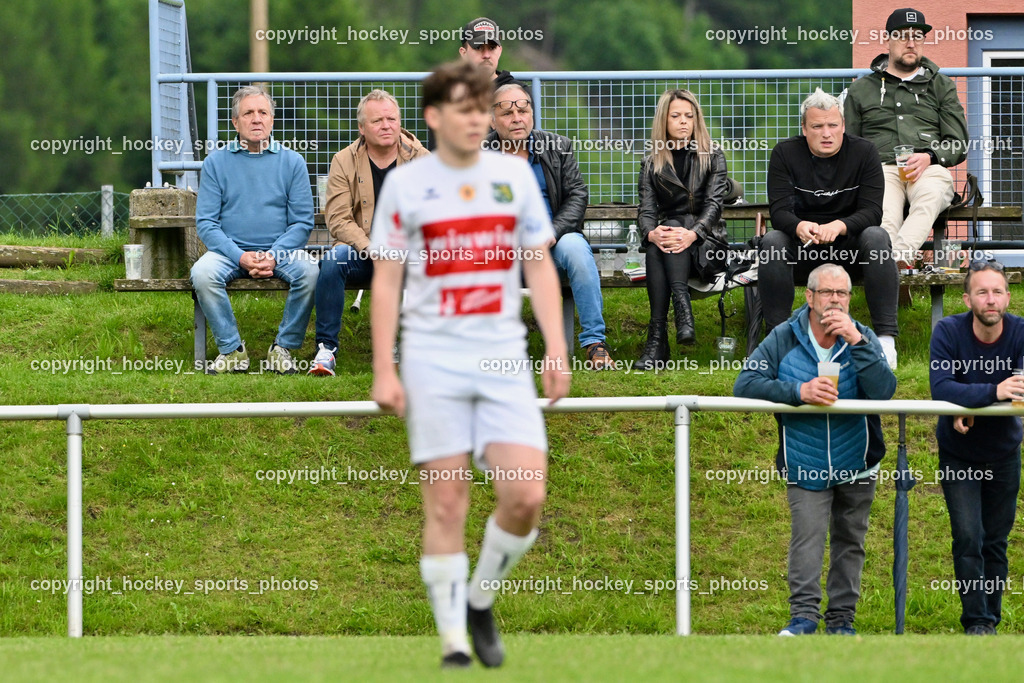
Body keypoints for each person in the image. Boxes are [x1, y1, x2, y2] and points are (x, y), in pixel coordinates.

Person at [369, 61, 569, 668]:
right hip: (433, 356)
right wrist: (385, 366)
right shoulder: (407, 186)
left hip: (504, 355)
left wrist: (556, 347)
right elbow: (386, 278)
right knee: (448, 500)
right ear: (433, 118)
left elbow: (537, 262)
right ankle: (454, 637)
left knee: (526, 496)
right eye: (466, 109)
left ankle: (481, 598)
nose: (479, 119)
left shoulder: (512, 176)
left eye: (484, 109)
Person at [734, 263, 896, 637]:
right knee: (807, 539)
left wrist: (858, 342)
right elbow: (745, 383)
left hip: (857, 459)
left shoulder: (862, 336)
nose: (836, 301)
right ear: (809, 297)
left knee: (850, 543)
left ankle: (841, 621)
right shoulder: (783, 336)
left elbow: (885, 390)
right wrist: (798, 392)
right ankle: (803, 619)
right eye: (827, 293)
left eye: (843, 294)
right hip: (804, 462)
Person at [762, 88, 899, 369]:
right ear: (804, 129)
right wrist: (800, 226)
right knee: (773, 241)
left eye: (833, 125)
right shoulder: (784, 153)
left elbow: (873, 211)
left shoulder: (865, 151)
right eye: (817, 126)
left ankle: (885, 340)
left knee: (877, 236)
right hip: (802, 250)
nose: (827, 133)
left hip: (851, 253)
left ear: (843, 126)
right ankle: (776, 340)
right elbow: (779, 213)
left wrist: (840, 226)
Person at [191, 85, 318, 374]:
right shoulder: (215, 163)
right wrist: (240, 257)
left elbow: (301, 223)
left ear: (272, 120)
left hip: (280, 252)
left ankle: (282, 349)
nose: (256, 119)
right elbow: (207, 223)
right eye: (248, 113)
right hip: (229, 253)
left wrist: (273, 255)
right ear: (235, 122)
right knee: (202, 273)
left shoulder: (293, 162)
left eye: (263, 113)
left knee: (311, 272)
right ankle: (232, 350)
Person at [486, 82, 614, 369]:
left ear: (532, 113)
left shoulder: (557, 147)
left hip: (552, 241)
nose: (517, 118)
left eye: (523, 109)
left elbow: (577, 195)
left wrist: (551, 233)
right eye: (507, 112)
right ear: (492, 120)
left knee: (577, 251)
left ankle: (594, 342)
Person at [929, 259, 1024, 635]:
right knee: (968, 535)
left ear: (1008, 298)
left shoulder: (1020, 331)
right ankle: (976, 622)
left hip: (1004, 451)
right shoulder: (948, 331)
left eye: (997, 292)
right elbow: (941, 388)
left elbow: (1020, 389)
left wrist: (970, 404)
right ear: (967, 299)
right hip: (959, 453)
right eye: (982, 292)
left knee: (996, 541)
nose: (990, 300)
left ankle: (991, 620)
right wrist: (990, 393)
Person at [310, 90, 429, 376]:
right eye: (377, 121)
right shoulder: (343, 160)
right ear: (362, 128)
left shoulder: (423, 159)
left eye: (391, 119)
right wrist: (372, 247)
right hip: (363, 253)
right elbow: (337, 219)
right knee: (333, 259)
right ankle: (326, 350)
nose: (386, 125)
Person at [844, 7, 969, 266]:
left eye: (918, 36)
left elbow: (958, 143)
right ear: (887, 40)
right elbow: (850, 144)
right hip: (880, 170)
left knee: (930, 197)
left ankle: (892, 264)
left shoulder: (941, 86)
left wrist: (930, 156)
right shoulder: (860, 90)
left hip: (928, 167)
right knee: (885, 214)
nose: (911, 43)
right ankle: (895, 271)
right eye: (902, 36)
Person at [634, 89, 728, 370]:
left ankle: (657, 341)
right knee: (658, 240)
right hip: (671, 247)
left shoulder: (712, 155)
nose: (683, 122)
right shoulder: (652, 162)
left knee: (670, 231)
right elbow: (647, 211)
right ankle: (679, 316)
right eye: (676, 116)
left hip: (707, 244)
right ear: (664, 120)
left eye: (689, 116)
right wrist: (650, 233)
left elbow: (713, 206)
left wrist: (693, 233)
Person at [460, 17, 517, 87]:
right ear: (463, 53)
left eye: (492, 48)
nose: (486, 55)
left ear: (500, 51)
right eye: (479, 47)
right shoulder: (450, 91)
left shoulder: (517, 92)